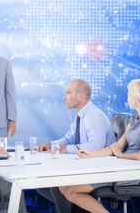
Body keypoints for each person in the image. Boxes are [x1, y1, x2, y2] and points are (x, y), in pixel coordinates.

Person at [59, 79, 140, 213]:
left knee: (70, 191)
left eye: (129, 95)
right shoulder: (133, 119)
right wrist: (91, 154)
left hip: (135, 170)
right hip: (121, 165)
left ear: (137, 98)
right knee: (66, 188)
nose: (128, 98)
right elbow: (116, 146)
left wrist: (119, 155)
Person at [37, 79, 115, 213]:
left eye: (68, 92)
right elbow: (69, 138)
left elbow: (96, 147)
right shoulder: (81, 115)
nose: (64, 96)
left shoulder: (93, 116)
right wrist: (52, 145)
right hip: (87, 166)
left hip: (101, 169)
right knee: (45, 185)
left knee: (60, 186)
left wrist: (66, 150)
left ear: (81, 95)